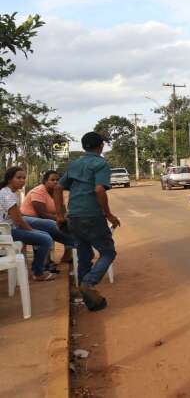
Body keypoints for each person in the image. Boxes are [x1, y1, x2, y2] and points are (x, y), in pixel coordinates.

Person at [54, 132, 120, 312]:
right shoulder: (101, 163)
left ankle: (90, 300)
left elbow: (58, 187)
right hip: (92, 217)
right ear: (101, 146)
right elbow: (99, 190)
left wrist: (60, 215)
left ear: (84, 147)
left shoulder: (75, 164)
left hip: (73, 217)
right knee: (108, 252)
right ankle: (88, 284)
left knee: (84, 256)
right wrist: (109, 215)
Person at [0, 166, 56, 281]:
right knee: (46, 239)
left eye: (24, 178)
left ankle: (37, 268)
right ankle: (38, 273)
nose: (22, 180)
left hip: (9, 229)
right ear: (10, 179)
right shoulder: (7, 195)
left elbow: (18, 217)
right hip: (6, 232)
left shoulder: (10, 192)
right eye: (18, 178)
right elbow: (18, 221)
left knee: (44, 235)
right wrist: (30, 230)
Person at [21, 170, 75, 266]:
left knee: (70, 224)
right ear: (45, 181)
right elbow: (42, 214)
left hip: (47, 220)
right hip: (29, 220)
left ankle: (68, 254)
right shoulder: (38, 191)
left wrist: (65, 217)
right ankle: (45, 261)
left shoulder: (57, 192)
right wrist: (59, 218)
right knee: (53, 227)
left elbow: (62, 210)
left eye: (58, 180)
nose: (55, 182)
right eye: (52, 180)